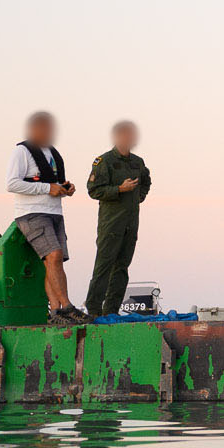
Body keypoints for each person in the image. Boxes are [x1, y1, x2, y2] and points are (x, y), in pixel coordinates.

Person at [6, 110, 83, 324]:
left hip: (55, 212)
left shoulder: (52, 152)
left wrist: (65, 188)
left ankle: (56, 313)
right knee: (54, 256)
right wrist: (47, 188)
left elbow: (53, 183)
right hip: (32, 213)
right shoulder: (22, 152)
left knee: (54, 262)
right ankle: (67, 307)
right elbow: (12, 183)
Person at [85, 120, 151, 317]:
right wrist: (119, 190)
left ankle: (111, 311)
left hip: (130, 224)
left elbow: (146, 182)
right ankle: (94, 310)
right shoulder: (104, 161)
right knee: (104, 266)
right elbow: (94, 190)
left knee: (122, 268)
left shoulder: (137, 162)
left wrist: (139, 196)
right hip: (111, 223)